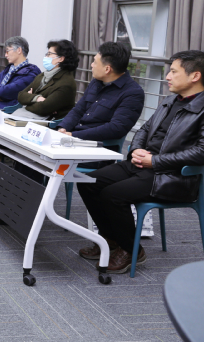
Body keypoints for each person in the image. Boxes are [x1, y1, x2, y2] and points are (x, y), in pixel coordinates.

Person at [77, 50, 204, 274]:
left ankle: (130, 249)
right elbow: (145, 129)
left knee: (113, 195)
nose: (167, 76)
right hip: (143, 165)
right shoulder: (170, 100)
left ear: (195, 76)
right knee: (88, 182)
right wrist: (135, 149)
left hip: (173, 175)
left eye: (174, 72)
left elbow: (201, 152)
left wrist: (155, 161)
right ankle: (111, 241)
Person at [58, 41, 144, 141]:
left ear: (107, 69)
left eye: (95, 62)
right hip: (73, 137)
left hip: (96, 144)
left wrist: (74, 135)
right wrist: (63, 128)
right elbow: (78, 110)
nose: (92, 65)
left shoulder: (133, 93)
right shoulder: (96, 82)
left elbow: (116, 128)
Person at [13, 39, 78, 120]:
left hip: (48, 122)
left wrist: (28, 100)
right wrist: (37, 98)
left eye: (49, 54)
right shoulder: (43, 75)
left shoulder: (66, 83)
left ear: (61, 59)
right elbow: (20, 95)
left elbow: (43, 108)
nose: (46, 57)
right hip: (31, 116)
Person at [0, 36, 40, 109]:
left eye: (7, 51)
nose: (5, 55)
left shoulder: (31, 73)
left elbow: (3, 92)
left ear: (19, 50)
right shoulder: (9, 69)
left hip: (5, 111)